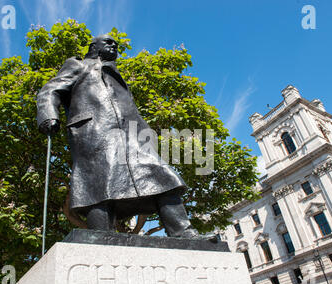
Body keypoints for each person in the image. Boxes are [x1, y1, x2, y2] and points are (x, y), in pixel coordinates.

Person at [37, 34, 215, 241]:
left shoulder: (115, 73)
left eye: (116, 44)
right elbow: (49, 90)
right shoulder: (77, 65)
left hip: (132, 136)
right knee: (97, 185)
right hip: (94, 133)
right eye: (108, 42)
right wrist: (48, 115)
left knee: (161, 174)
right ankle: (102, 236)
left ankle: (183, 232)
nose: (114, 46)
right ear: (94, 47)